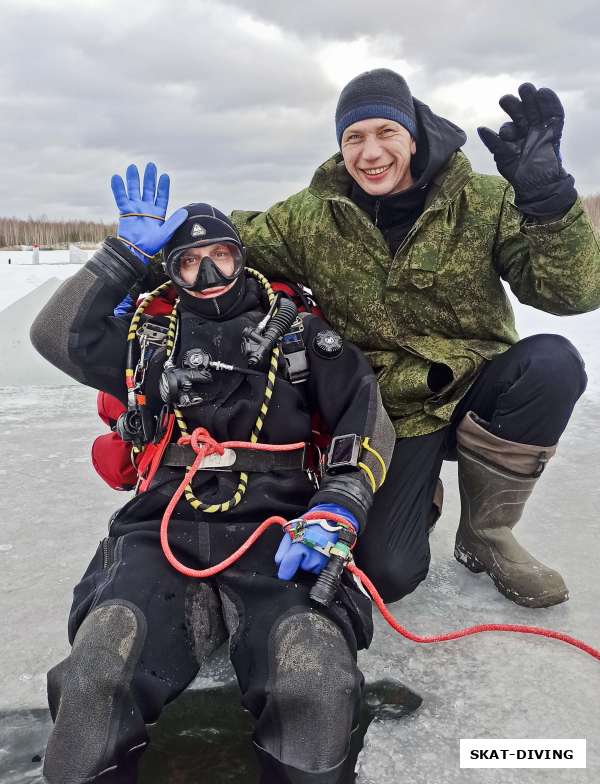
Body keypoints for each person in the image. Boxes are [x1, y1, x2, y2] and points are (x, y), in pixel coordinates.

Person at [30, 163, 396, 784]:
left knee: (314, 681)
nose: (209, 273)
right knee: (96, 675)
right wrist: (120, 254)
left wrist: (342, 501)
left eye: (221, 255)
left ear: (242, 257)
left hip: (281, 528)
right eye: (189, 261)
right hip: (162, 527)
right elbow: (54, 335)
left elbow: (368, 418)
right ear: (169, 270)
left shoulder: (300, 336)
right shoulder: (148, 338)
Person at [230, 70, 600, 608]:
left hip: (479, 387)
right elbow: (224, 252)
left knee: (553, 362)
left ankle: (486, 535)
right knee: (388, 574)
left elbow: (574, 294)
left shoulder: (482, 198)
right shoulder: (311, 216)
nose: (371, 152)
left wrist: (548, 200)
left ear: (413, 135)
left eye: (386, 133)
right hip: (390, 412)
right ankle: (414, 494)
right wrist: (141, 254)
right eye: (354, 137)